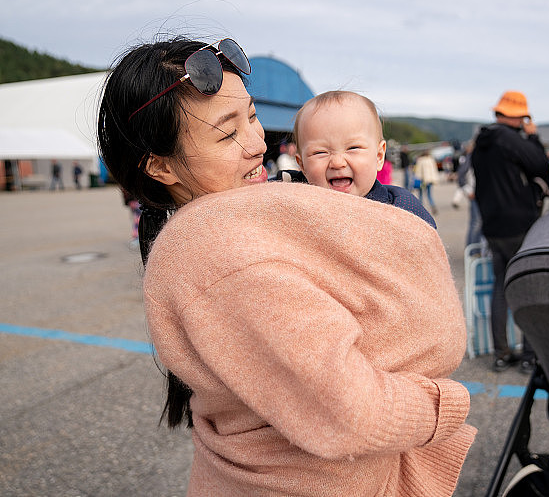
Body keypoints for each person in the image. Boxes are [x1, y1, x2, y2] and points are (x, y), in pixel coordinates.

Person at [97, 37, 474, 496]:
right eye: (227, 134)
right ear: (160, 167)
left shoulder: (249, 216)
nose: (258, 143)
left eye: (252, 116)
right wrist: (447, 405)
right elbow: (349, 411)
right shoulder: (218, 250)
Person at [471, 90, 549, 372]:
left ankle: (501, 353)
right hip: (519, 224)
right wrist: (533, 137)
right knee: (527, 286)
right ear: (519, 116)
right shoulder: (510, 139)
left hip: (492, 226)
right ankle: (530, 355)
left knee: (500, 287)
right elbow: (541, 164)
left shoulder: (481, 142)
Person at [292, 90, 435, 227]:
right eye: (320, 152)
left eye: (353, 148)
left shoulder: (403, 209)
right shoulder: (292, 208)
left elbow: (427, 240)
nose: (337, 162)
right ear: (302, 165)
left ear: (379, 156)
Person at [413, 149, 439, 215]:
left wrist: (417, 179)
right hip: (430, 180)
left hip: (422, 180)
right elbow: (434, 170)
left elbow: (418, 171)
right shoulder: (431, 160)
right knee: (429, 194)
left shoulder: (420, 160)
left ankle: (420, 209)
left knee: (421, 194)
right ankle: (433, 206)